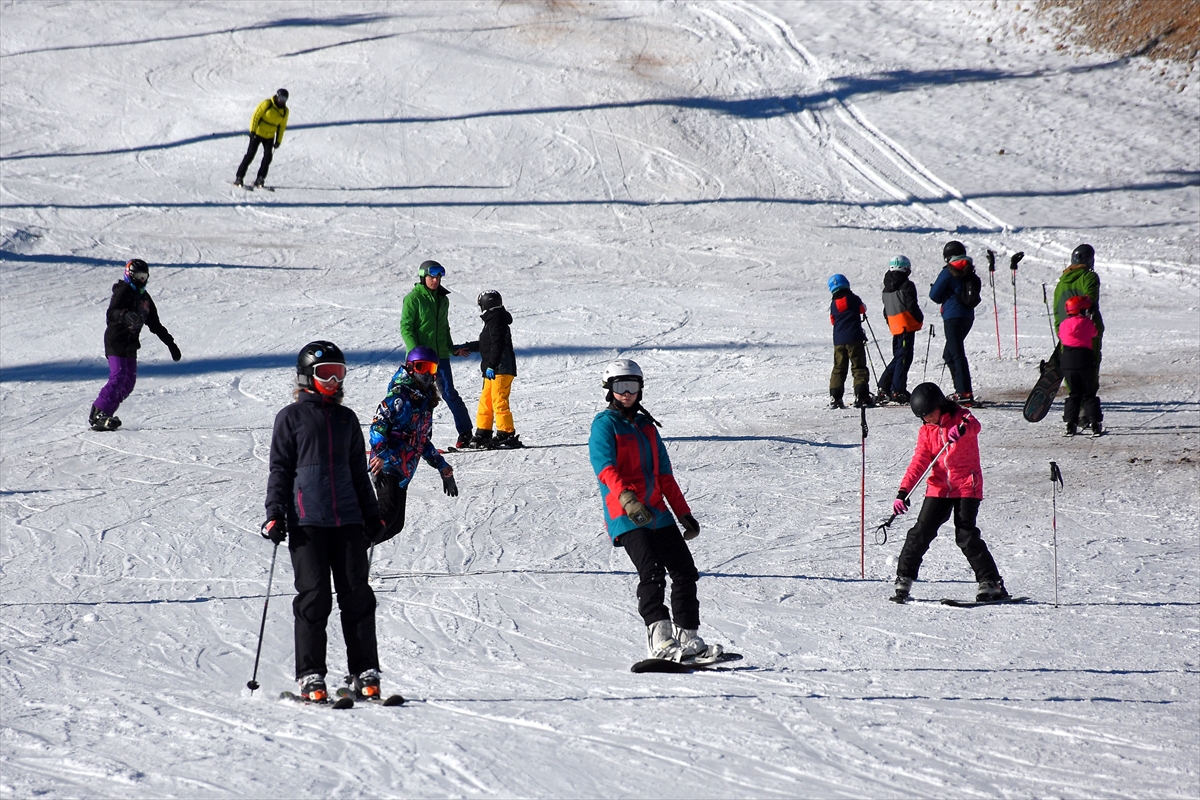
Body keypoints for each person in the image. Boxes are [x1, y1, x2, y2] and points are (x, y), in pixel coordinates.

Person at [263, 341, 386, 702]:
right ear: (306, 377)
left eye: (339, 373)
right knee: (314, 598)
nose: (333, 381)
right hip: (307, 522)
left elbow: (359, 475)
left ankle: (365, 672)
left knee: (358, 597)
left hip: (348, 521)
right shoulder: (290, 418)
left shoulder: (347, 420)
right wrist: (275, 514)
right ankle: (311, 676)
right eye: (325, 373)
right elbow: (280, 470)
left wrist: (372, 514)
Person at [588, 359, 723, 662]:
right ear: (609, 390)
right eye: (620, 387)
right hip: (625, 514)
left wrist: (682, 512)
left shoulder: (646, 427)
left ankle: (689, 638)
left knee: (685, 571)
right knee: (651, 572)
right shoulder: (604, 425)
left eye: (632, 386)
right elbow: (605, 468)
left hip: (657, 512)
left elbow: (664, 474)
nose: (627, 393)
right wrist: (626, 499)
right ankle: (660, 640)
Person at [889, 382, 1010, 603]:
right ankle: (904, 577)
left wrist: (961, 430)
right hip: (939, 487)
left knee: (965, 535)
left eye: (930, 414)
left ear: (940, 405)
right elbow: (919, 462)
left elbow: (974, 425)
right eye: (923, 417)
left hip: (966, 485)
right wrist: (903, 491)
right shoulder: (926, 431)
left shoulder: (962, 417)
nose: (928, 419)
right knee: (920, 532)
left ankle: (991, 582)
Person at [368, 346, 459, 547]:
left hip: (404, 467)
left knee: (395, 524)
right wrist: (381, 454)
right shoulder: (399, 395)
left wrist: (442, 466)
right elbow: (378, 426)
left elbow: (422, 440)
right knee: (386, 514)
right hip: (387, 464)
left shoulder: (425, 401)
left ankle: (352, 552)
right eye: (421, 367)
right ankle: (347, 554)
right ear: (410, 368)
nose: (427, 374)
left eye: (432, 368)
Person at [89, 259, 182, 431]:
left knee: (129, 382)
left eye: (144, 276)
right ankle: (99, 412)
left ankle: (106, 414)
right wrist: (125, 315)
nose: (141, 280)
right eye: (137, 276)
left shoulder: (145, 299)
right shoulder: (123, 291)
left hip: (131, 344)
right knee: (118, 376)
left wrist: (171, 344)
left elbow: (155, 325)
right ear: (129, 275)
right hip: (116, 340)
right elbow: (112, 313)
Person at [399, 259, 474, 448]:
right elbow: (406, 327)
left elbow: (444, 328)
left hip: (440, 356)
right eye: (432, 276)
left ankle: (465, 433)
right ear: (423, 277)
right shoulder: (413, 299)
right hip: (421, 358)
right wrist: (414, 352)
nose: (435, 280)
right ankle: (418, 437)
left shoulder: (443, 299)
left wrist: (451, 349)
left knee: (448, 393)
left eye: (438, 277)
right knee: (420, 397)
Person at [459, 290, 522, 449]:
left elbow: (498, 344)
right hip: (494, 369)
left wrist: (491, 365)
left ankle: (506, 433)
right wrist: (465, 347)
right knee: (486, 400)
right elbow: (486, 344)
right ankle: (483, 432)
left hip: (501, 368)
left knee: (499, 400)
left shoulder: (496, 320)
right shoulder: (494, 320)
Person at [929, 241, 981, 407]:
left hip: (952, 317)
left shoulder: (947, 272)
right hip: (968, 317)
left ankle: (964, 392)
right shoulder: (970, 271)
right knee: (949, 354)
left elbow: (934, 295)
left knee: (957, 354)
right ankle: (961, 390)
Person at [1053, 244, 1105, 411]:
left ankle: (1075, 413)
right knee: (1089, 370)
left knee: (1072, 374)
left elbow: (1056, 309)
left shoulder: (1061, 282)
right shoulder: (1089, 277)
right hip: (1088, 332)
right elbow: (1090, 300)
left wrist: (1061, 332)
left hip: (1065, 332)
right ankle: (1088, 411)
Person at [877, 255, 924, 404]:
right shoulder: (907, 285)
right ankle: (897, 391)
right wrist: (919, 318)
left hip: (896, 327)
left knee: (899, 357)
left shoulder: (886, 287)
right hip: (906, 326)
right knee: (904, 358)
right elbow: (911, 305)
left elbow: (886, 311)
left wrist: (892, 323)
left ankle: (884, 386)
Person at [1058, 296, 1103, 437]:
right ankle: (1095, 423)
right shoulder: (1086, 323)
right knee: (1088, 394)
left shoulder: (1063, 324)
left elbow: (1061, 336)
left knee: (1074, 394)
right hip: (1085, 360)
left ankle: (1070, 424)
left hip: (1068, 362)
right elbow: (1095, 333)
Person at [827, 274, 872, 409]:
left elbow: (832, 320)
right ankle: (861, 395)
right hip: (854, 338)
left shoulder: (833, 304)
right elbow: (862, 309)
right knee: (858, 367)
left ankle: (835, 397)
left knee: (839, 368)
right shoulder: (853, 298)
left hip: (839, 341)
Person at [234, 88, 289, 189]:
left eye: (284, 99)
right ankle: (239, 177)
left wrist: (278, 141)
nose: (282, 100)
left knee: (268, 157)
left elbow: (282, 127)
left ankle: (260, 178)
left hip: (269, 136)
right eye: (281, 98)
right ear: (277, 96)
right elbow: (256, 116)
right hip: (258, 133)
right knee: (250, 155)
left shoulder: (285, 111)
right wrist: (252, 131)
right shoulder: (267, 104)